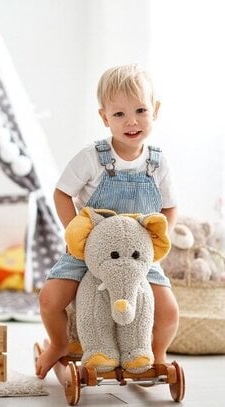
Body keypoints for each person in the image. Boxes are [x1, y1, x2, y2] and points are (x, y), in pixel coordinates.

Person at [35, 64, 179, 379]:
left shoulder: (158, 163)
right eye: (119, 114)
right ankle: (59, 343)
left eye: (141, 110)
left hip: (139, 255)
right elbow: (62, 193)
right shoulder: (93, 157)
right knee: (50, 299)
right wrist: (77, 234)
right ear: (104, 118)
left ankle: (156, 353)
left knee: (168, 311)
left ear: (155, 111)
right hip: (92, 248)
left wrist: (155, 244)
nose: (131, 121)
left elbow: (169, 208)